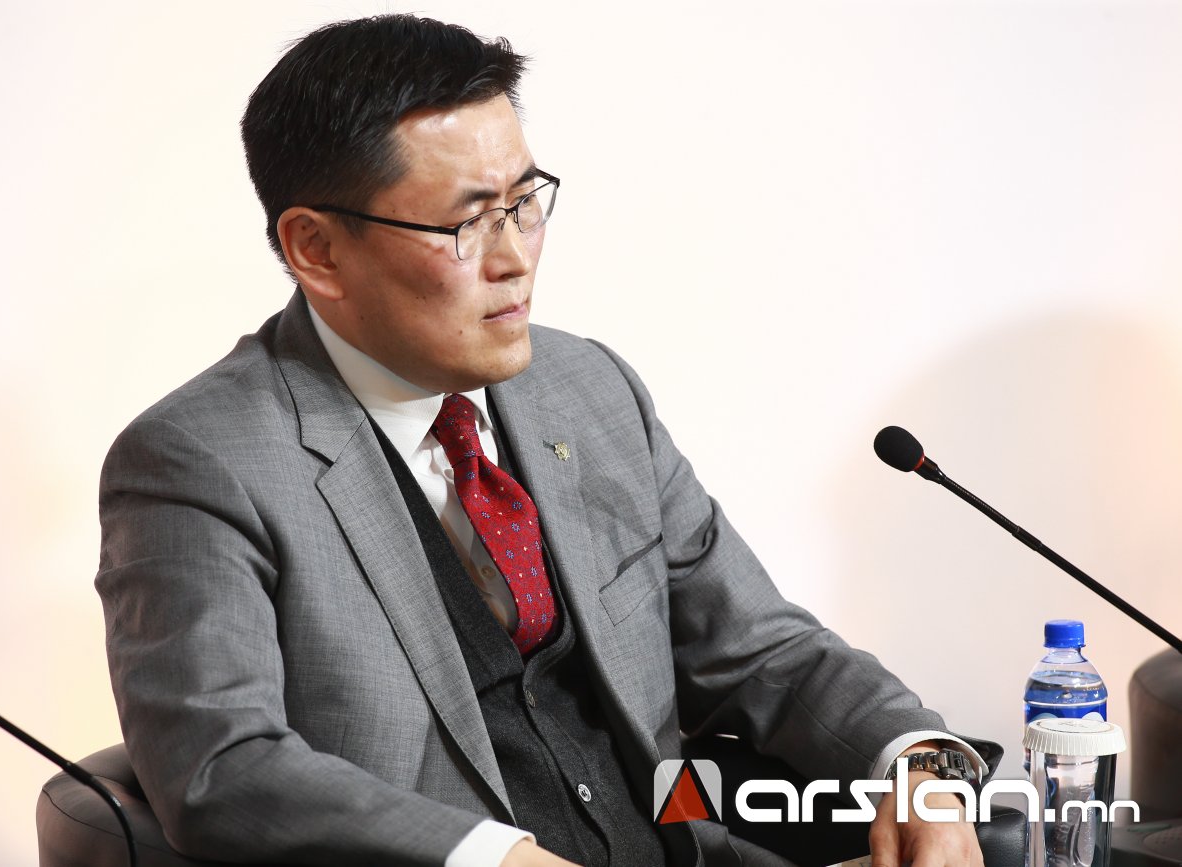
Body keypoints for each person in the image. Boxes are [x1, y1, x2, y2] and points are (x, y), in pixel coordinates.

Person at [96, 14, 999, 867]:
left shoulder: (588, 388)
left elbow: (760, 648)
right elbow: (224, 766)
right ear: (316, 250)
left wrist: (914, 762)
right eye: (467, 221)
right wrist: (490, 857)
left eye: (524, 202)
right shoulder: (199, 461)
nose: (515, 257)